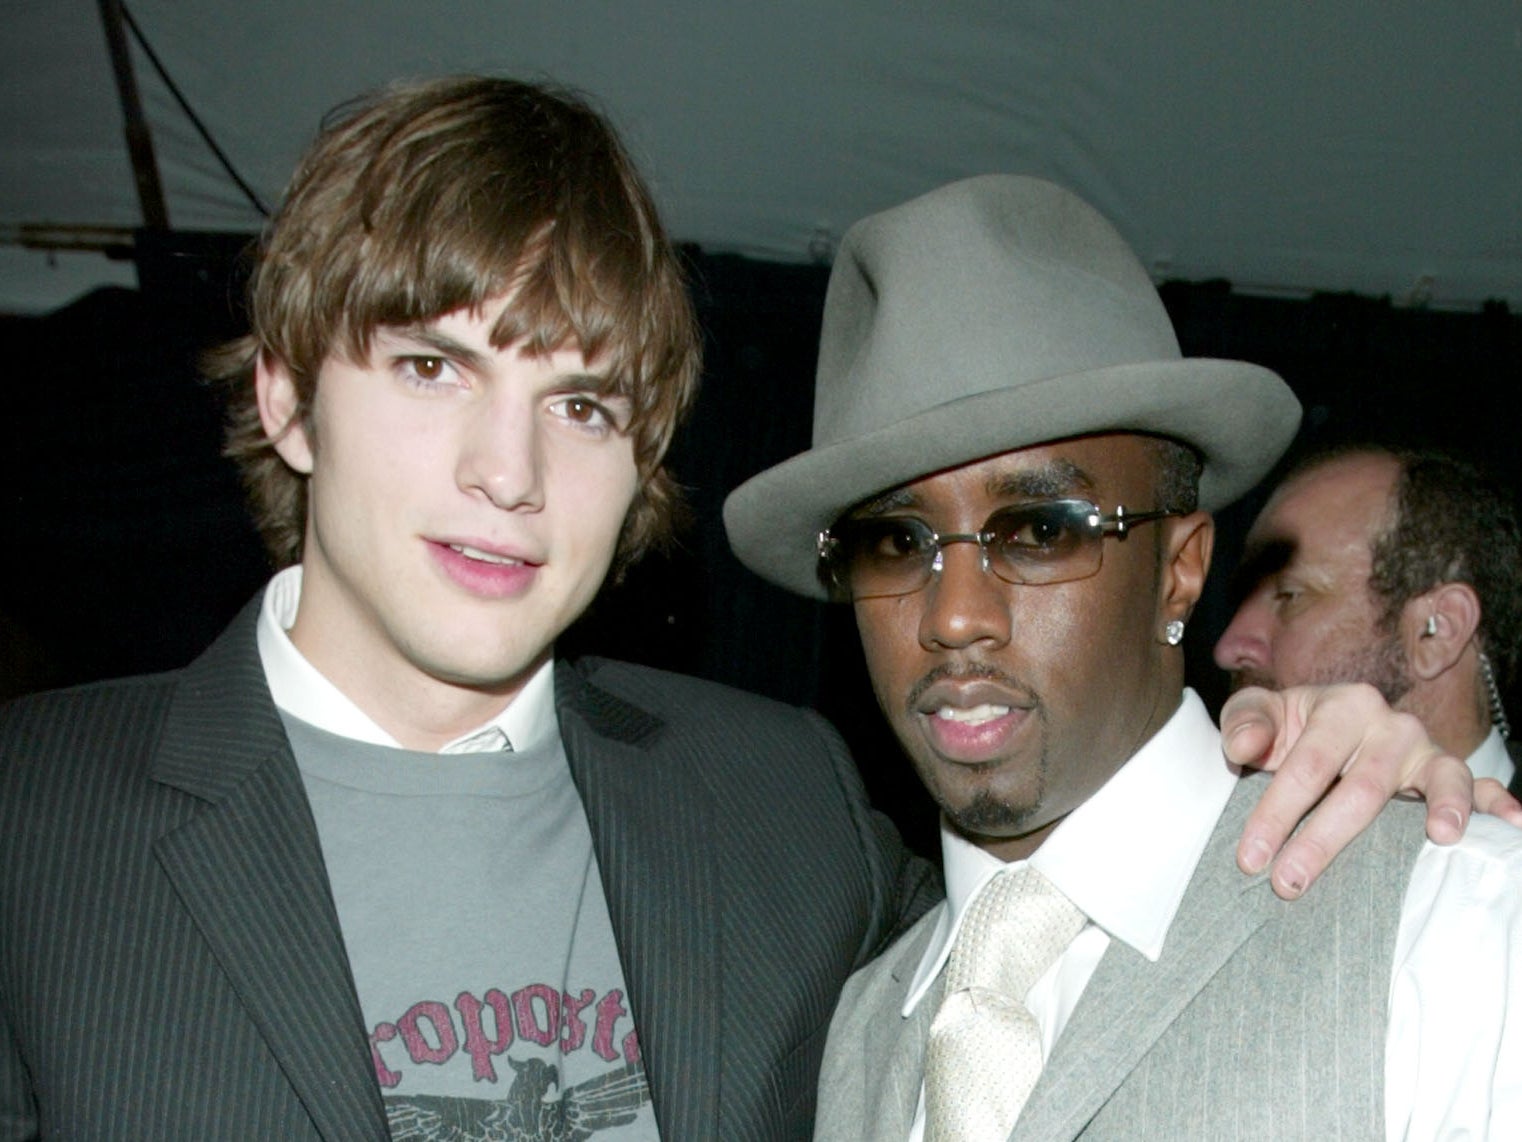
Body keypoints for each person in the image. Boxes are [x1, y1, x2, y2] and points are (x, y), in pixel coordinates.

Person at [0, 82, 1491, 1142]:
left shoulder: (785, 808)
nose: (503, 471)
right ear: (285, 395)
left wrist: (1344, 737)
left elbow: (1110, 876)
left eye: (579, 400)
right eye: (431, 367)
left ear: (641, 459)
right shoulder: (31, 824)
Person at [722, 175, 1522, 1139]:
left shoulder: (1459, 920)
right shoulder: (858, 1031)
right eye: (895, 544)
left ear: (1180, 571)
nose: (955, 616)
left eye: (1042, 529)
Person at [1215, 444, 1522, 797]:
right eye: (1241, 599)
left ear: (1436, 632)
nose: (1227, 648)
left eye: (1289, 596)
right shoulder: (1222, 820)